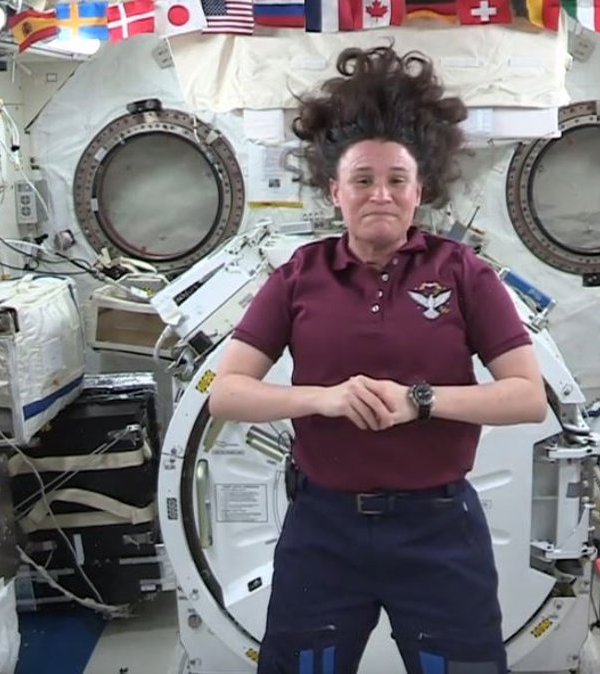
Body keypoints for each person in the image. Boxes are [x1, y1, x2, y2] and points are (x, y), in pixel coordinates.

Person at [207, 45, 548, 674]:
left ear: (420, 190)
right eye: (362, 180)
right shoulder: (299, 275)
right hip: (324, 531)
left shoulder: (463, 273)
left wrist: (420, 401)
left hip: (439, 531)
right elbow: (226, 392)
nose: (380, 194)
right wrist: (325, 398)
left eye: (397, 180)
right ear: (335, 191)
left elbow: (528, 396)